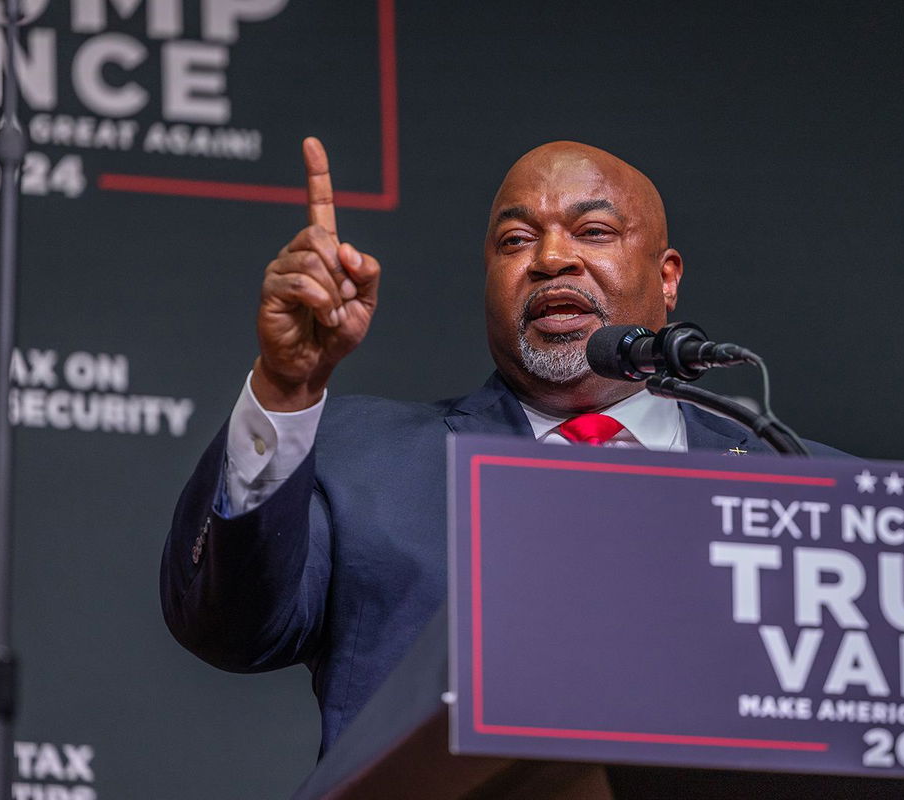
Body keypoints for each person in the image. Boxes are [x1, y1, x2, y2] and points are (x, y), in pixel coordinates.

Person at [160, 138, 843, 754]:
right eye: (516, 241)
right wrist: (285, 386)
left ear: (667, 277)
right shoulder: (362, 460)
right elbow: (228, 625)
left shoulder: (805, 485)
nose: (550, 259)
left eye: (593, 230)